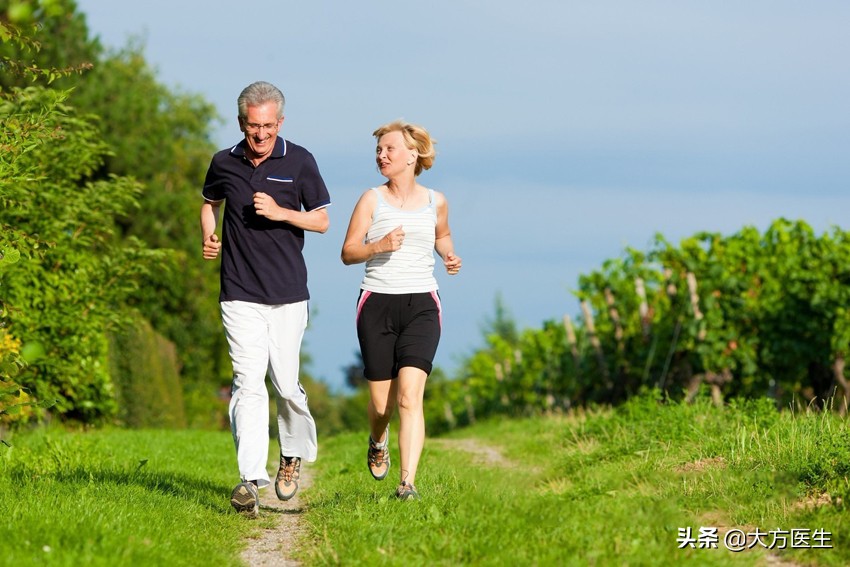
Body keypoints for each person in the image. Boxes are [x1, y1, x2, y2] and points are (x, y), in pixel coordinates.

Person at [200, 81, 331, 517]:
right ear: (242, 123)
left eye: (269, 127)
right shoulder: (223, 162)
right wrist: (209, 233)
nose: (261, 135)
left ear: (281, 122)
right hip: (238, 291)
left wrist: (281, 213)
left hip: (288, 293)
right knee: (247, 380)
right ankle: (249, 480)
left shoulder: (300, 160)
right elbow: (207, 202)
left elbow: (323, 222)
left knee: (286, 384)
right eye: (254, 127)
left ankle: (290, 455)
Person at [340, 120, 462, 500]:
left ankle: (407, 484)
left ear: (413, 155)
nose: (381, 155)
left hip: (422, 303)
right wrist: (380, 245)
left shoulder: (436, 201)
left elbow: (441, 235)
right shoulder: (371, 200)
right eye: (378, 150)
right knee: (382, 405)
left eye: (389, 149)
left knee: (410, 395)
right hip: (377, 302)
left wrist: (448, 255)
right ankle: (378, 439)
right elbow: (348, 252)